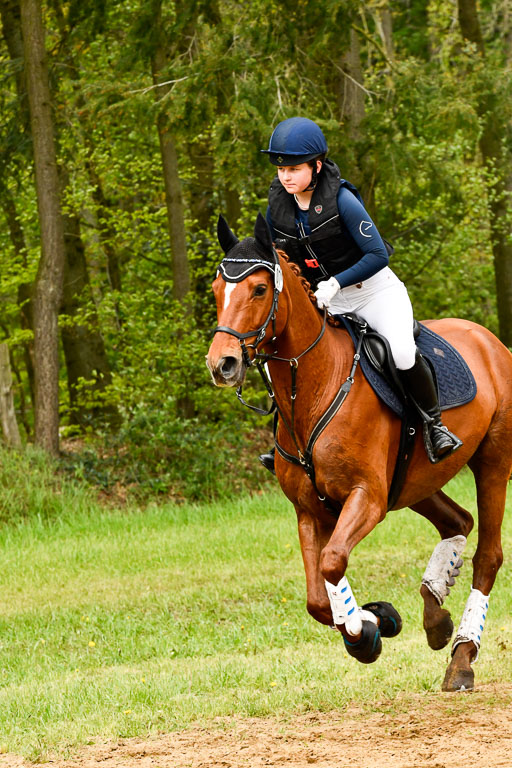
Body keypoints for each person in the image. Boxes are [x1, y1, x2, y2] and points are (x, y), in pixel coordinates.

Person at [257, 116, 461, 472]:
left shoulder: (343, 200)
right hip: (328, 300)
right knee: (284, 361)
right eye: (280, 169)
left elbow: (378, 254)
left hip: (375, 293)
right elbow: (273, 255)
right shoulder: (278, 207)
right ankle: (285, 443)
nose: (285, 176)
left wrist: (336, 282)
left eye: (293, 169)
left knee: (401, 351)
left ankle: (434, 425)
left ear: (316, 166)